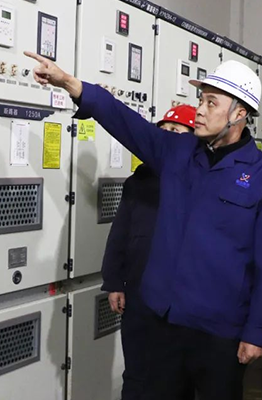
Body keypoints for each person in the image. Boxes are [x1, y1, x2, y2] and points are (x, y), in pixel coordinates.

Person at [23, 52, 262, 400]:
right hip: (163, 321)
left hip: (220, 330)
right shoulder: (177, 152)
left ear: (239, 113)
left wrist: (258, 331)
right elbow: (125, 122)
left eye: (211, 102)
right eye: (201, 100)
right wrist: (71, 84)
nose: (200, 109)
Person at [101, 104, 196, 400]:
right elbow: (120, 232)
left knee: (173, 375)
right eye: (162, 130)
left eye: (176, 131)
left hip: (177, 296)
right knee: (136, 371)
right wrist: (113, 281)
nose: (166, 136)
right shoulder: (138, 180)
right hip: (137, 289)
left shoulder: (195, 181)